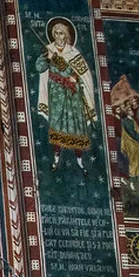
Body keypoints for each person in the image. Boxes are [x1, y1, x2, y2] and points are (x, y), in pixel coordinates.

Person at [35, 18, 96, 175]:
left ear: (66, 36)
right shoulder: (48, 49)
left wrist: (74, 78)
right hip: (56, 95)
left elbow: (84, 74)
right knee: (57, 126)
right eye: (55, 33)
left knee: (76, 128)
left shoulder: (73, 52)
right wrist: (46, 58)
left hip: (73, 96)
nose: (57, 36)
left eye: (61, 33)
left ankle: (80, 163)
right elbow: (40, 67)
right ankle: (56, 161)